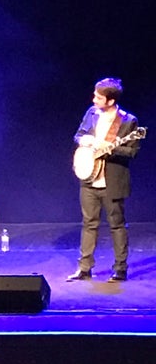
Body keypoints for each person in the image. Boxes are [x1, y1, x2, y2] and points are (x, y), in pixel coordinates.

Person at [67, 78, 141, 283]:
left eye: (98, 97)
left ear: (110, 101)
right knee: (88, 223)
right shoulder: (91, 113)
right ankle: (84, 268)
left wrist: (110, 147)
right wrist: (86, 140)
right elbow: (78, 135)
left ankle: (120, 269)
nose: (93, 99)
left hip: (112, 180)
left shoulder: (128, 121)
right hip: (89, 178)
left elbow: (132, 151)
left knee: (116, 225)